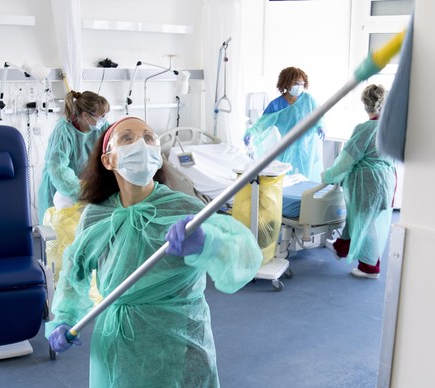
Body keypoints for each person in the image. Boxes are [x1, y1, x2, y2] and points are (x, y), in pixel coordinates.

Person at [45, 116, 263, 387]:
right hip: (120, 341)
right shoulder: (96, 216)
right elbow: (73, 273)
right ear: (108, 160)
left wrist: (209, 243)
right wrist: (64, 319)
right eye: (127, 138)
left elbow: (243, 255)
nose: (141, 144)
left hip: (182, 340)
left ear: (158, 157)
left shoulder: (185, 209)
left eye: (149, 138)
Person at [322, 84, 396, 279]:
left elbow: (347, 159)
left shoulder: (366, 129)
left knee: (366, 222)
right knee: (358, 218)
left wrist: (329, 176)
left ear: (366, 104)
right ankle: (342, 248)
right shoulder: (393, 127)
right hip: (386, 179)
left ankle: (370, 267)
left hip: (368, 182)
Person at [36, 90, 110, 222]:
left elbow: (112, 149)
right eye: (101, 116)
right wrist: (81, 192)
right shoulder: (64, 131)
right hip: (61, 187)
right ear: (86, 116)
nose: (104, 120)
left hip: (86, 185)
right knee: (62, 230)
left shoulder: (102, 127)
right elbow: (57, 169)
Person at [243, 66, 325, 181]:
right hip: (287, 148)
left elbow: (318, 116)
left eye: (302, 83)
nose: (299, 86)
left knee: (307, 179)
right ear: (286, 83)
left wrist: (320, 127)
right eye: (296, 83)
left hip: (307, 148)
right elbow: (261, 125)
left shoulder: (308, 100)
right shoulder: (276, 105)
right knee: (286, 180)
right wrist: (251, 133)